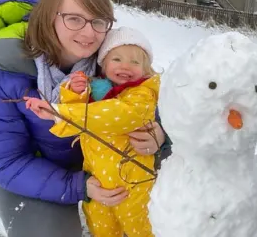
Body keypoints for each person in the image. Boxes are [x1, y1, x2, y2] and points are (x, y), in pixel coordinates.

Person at [0, 0, 169, 237]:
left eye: (98, 21)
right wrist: (79, 186)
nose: (89, 34)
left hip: (112, 167)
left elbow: (162, 106)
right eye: (74, 19)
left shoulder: (114, 58)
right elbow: (5, 161)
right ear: (49, 18)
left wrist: (161, 136)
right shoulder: (5, 70)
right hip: (37, 172)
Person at [24, 26, 160, 237]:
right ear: (103, 64)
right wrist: (75, 94)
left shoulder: (143, 94)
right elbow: (86, 113)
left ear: (146, 69)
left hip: (134, 185)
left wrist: (61, 113)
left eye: (135, 62)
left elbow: (118, 114)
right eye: (117, 59)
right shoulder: (99, 90)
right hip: (98, 181)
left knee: (140, 228)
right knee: (101, 226)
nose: (125, 66)